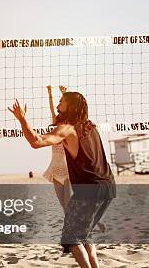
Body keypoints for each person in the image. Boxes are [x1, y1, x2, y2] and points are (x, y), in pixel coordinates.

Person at [9, 92, 115, 268]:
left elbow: (36, 142)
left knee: (70, 236)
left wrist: (22, 119)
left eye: (61, 102)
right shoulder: (91, 127)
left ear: (71, 107)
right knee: (84, 234)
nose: (58, 105)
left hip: (89, 189)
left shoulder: (68, 128)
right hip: (108, 187)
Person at [44, 85, 105, 232]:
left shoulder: (71, 129)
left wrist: (63, 93)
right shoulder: (56, 128)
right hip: (56, 167)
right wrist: (50, 94)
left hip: (69, 168)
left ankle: (91, 223)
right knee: (65, 205)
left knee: (72, 203)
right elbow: (55, 109)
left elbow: (72, 107)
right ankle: (74, 230)